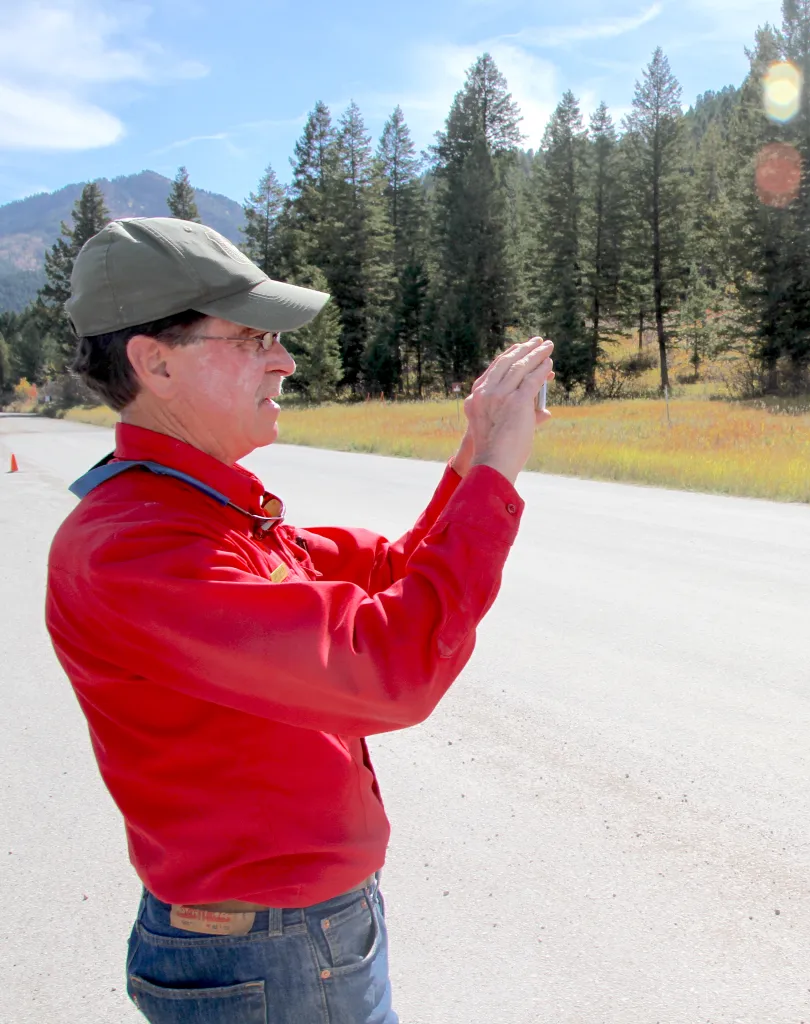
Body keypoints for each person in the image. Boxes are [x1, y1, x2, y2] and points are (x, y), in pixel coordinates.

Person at [45, 216, 553, 1024]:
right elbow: (391, 667)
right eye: (252, 338)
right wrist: (496, 471)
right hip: (269, 955)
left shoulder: (197, 508)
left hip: (290, 940)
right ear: (155, 361)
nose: (284, 358)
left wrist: (474, 450)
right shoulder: (139, 545)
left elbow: (389, 575)